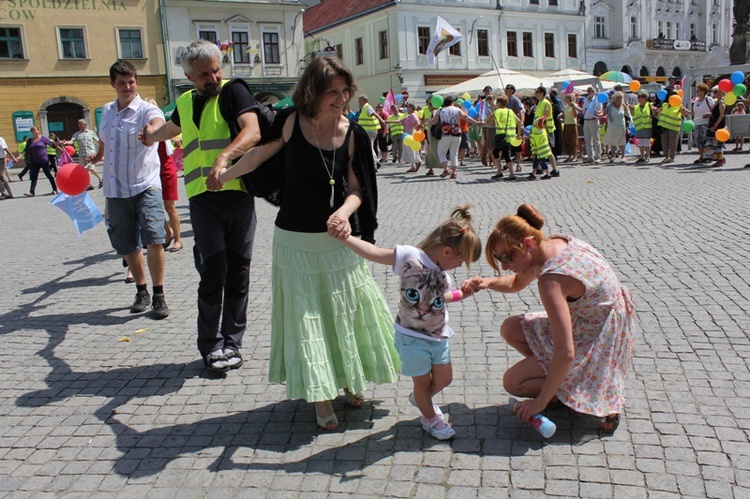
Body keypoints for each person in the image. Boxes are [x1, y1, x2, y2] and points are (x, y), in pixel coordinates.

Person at [212, 56, 401, 430]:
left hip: (338, 243)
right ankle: (320, 396)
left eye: (346, 91)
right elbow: (257, 155)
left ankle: (348, 379)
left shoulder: (353, 134)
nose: (341, 98)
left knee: (347, 315)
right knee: (309, 322)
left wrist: (345, 213)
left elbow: (358, 189)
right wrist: (226, 173)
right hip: (294, 242)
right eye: (333, 91)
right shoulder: (289, 122)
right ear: (313, 92)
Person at [141, 40, 269, 371]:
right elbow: (175, 127)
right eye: (203, 74)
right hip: (202, 199)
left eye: (215, 70)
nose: (212, 77)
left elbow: (252, 131)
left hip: (237, 193)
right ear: (187, 75)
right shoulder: (185, 101)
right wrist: (152, 136)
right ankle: (210, 345)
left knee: (238, 272)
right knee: (214, 270)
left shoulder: (234, 92)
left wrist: (225, 157)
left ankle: (232, 343)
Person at [461, 204, 636, 435]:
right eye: (498, 258)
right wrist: (486, 282)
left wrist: (538, 403)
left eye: (506, 256)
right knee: (511, 328)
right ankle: (560, 382)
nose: (504, 265)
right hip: (595, 318)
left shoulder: (551, 280)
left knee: (513, 382)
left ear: (527, 244)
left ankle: (576, 392)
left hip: (599, 334)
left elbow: (566, 352)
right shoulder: (553, 243)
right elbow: (516, 282)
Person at [340, 206, 481, 440]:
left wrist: (460, 295)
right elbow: (374, 253)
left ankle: (421, 399)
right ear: (447, 251)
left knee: (445, 378)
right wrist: (346, 238)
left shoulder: (443, 273)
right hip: (412, 337)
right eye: (461, 261)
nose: (459, 267)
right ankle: (431, 419)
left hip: (438, 336)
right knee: (423, 383)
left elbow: (438, 298)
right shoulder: (409, 256)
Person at [90, 60, 169, 319]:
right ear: (113, 84)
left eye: (131, 81)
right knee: (128, 246)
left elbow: (157, 123)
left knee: (154, 238)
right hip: (115, 190)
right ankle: (141, 290)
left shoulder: (146, 110)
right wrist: (97, 156)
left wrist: (153, 133)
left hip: (145, 185)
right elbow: (105, 138)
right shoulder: (107, 111)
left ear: (137, 81)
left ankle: (159, 295)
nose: (127, 86)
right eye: (122, 82)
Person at [430, 95, 480, 179]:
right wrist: (476, 122)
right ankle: (454, 173)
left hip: (445, 134)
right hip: (457, 133)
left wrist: (429, 121)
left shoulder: (440, 110)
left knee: (441, 152)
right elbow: (465, 117)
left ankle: (446, 168)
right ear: (452, 102)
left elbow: (434, 122)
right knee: (454, 154)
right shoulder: (457, 109)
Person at [63, 119, 103, 190]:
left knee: (91, 168)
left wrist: (102, 148)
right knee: (84, 170)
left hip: (90, 154)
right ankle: (89, 184)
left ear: (85, 125)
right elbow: (72, 141)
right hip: (82, 154)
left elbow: (97, 140)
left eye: (80, 124)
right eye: (78, 124)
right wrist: (66, 142)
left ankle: (101, 180)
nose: (79, 126)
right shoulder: (77, 134)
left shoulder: (91, 133)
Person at [489, 94, 521, 180]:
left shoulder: (497, 112)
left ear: (499, 103)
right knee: (501, 153)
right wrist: (518, 133)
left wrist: (480, 122)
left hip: (501, 136)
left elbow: (488, 122)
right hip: (510, 136)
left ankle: (510, 173)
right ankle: (502, 172)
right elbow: (519, 122)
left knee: (503, 154)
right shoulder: (510, 111)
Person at [653, 89, 689, 164]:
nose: (672, 98)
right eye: (671, 96)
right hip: (663, 127)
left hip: (674, 127)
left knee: (673, 143)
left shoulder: (679, 105)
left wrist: (684, 112)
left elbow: (685, 114)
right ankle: (666, 157)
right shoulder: (665, 105)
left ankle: (671, 157)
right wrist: (655, 110)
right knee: (664, 143)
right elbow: (658, 113)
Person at [21, 127, 58, 197]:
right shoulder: (30, 140)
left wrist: (58, 143)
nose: (33, 132)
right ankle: (32, 192)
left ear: (38, 130)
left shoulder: (43, 138)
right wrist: (18, 157)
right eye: (32, 131)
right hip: (34, 161)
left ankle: (55, 189)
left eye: (34, 130)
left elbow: (53, 145)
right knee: (33, 177)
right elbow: (25, 150)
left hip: (44, 160)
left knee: (48, 175)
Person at [533, 87, 560, 176]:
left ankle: (555, 169)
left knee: (547, 151)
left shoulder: (546, 103)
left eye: (537, 92)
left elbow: (545, 116)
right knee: (540, 150)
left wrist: (540, 124)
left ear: (541, 93)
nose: (535, 93)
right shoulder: (540, 102)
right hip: (540, 130)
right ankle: (540, 168)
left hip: (546, 130)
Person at [357, 94, 385, 167]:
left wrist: (381, 120)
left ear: (363, 100)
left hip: (369, 130)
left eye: (359, 100)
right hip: (369, 130)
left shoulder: (367, 107)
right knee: (370, 147)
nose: (358, 102)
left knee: (369, 147)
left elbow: (374, 113)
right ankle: (376, 162)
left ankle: (374, 164)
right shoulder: (364, 108)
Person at [603, 91, 632, 163]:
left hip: (621, 126)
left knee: (622, 142)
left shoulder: (624, 105)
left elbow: (628, 115)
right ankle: (613, 156)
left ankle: (623, 156)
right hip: (612, 126)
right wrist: (596, 113)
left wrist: (629, 126)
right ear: (614, 98)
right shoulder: (610, 105)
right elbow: (604, 113)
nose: (619, 99)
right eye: (618, 97)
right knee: (613, 142)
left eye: (621, 97)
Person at [691, 83, 714, 164]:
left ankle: (707, 156)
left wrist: (708, 114)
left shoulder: (709, 99)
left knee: (705, 141)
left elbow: (714, 111)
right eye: (697, 91)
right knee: (698, 141)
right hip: (697, 123)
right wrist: (686, 111)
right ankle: (701, 156)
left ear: (704, 91)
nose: (697, 92)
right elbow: (695, 113)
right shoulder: (696, 101)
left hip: (706, 123)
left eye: (699, 91)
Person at [705, 86, 727, 168]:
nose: (714, 93)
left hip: (719, 125)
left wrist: (715, 125)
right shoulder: (717, 102)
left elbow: (721, 115)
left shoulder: (722, 102)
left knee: (719, 143)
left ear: (720, 92)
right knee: (714, 143)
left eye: (715, 91)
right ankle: (719, 158)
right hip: (714, 123)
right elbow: (714, 113)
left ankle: (720, 159)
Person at [581, 87, 603, 164]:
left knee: (596, 140)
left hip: (594, 120)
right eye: (589, 91)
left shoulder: (597, 100)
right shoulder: (586, 100)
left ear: (595, 92)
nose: (590, 92)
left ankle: (598, 157)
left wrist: (596, 112)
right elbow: (583, 110)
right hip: (586, 120)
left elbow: (600, 111)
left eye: (592, 91)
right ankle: (590, 157)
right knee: (587, 140)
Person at [631, 91, 653, 163]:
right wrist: (630, 109)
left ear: (645, 98)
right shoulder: (636, 107)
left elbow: (654, 113)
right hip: (639, 127)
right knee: (641, 143)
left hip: (647, 126)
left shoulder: (649, 105)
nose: (639, 99)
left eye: (641, 97)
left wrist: (655, 110)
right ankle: (642, 156)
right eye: (639, 97)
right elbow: (633, 114)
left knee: (646, 142)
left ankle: (648, 156)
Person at [561, 94, 581, 163]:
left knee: (573, 140)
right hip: (566, 124)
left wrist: (573, 108)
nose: (565, 99)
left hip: (572, 124)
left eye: (566, 98)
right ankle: (569, 155)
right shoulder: (566, 106)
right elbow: (565, 115)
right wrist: (561, 115)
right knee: (567, 140)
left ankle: (575, 156)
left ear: (570, 98)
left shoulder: (574, 105)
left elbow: (575, 115)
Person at [0, 135, 19, 199]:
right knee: (1, 178)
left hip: (1, 160)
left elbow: (5, 148)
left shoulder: (0, 139)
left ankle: (4, 193)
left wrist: (13, 158)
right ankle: (9, 194)